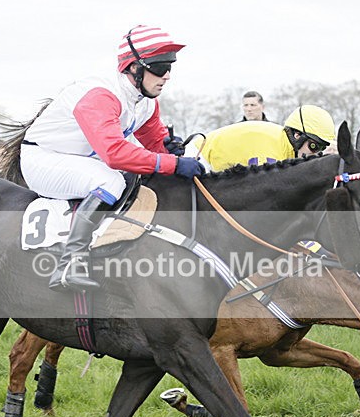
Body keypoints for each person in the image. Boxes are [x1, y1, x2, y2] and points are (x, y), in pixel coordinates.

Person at [20, 25, 204, 292]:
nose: (166, 76)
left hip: (80, 159)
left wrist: (172, 152)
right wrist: (173, 164)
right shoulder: (102, 95)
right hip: (44, 159)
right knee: (110, 182)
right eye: (160, 66)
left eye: (170, 67)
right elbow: (115, 153)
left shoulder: (146, 101)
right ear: (134, 68)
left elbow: (155, 143)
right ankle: (70, 263)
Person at [197, 104, 336, 171]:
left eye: (321, 149)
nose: (315, 154)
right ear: (297, 135)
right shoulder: (270, 151)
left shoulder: (284, 146)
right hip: (198, 158)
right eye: (314, 146)